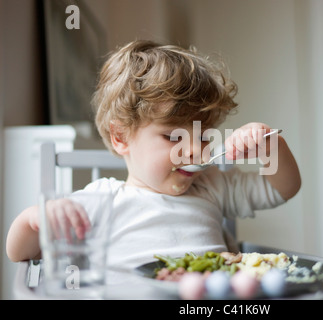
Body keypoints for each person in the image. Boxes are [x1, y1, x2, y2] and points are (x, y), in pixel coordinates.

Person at [6, 40, 301, 273]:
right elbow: (20, 252)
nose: (196, 150)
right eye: (174, 137)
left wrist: (269, 146)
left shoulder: (212, 185)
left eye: (202, 136)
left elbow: (282, 188)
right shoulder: (101, 201)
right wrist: (34, 219)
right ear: (121, 137)